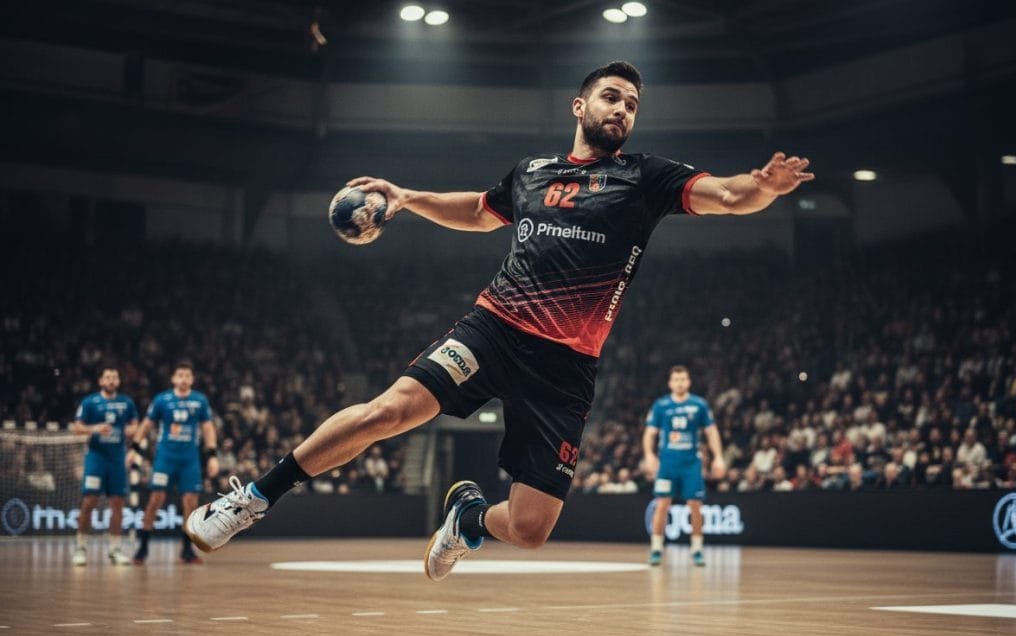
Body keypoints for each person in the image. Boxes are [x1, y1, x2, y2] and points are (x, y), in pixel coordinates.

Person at [183, 60, 813, 580]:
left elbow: (732, 195)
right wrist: (406, 198)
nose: (622, 110)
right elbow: (478, 213)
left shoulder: (645, 178)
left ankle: (469, 520)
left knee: (532, 529)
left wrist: (767, 189)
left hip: (567, 367)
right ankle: (254, 498)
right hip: (495, 330)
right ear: (579, 106)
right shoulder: (533, 173)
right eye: (611, 98)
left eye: (632, 105)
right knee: (390, 411)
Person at [128, 362, 218, 564]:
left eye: (187, 375)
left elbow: (208, 428)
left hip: (190, 460)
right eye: (180, 375)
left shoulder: (199, 400)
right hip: (165, 458)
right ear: (173, 379)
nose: (184, 378)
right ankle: (142, 548)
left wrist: (212, 455)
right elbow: (146, 424)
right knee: (156, 499)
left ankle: (187, 550)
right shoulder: (162, 400)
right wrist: (134, 449)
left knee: (190, 502)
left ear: (192, 379)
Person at [642, 366, 725, 567]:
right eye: (676, 379)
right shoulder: (661, 405)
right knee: (662, 504)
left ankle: (697, 549)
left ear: (688, 382)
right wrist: (649, 455)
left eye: (683, 379)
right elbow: (650, 433)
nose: (680, 382)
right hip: (667, 464)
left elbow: (711, 432)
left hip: (691, 464)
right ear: (670, 383)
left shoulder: (699, 405)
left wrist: (718, 457)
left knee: (695, 505)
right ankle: (656, 548)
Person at [70, 366, 139, 566]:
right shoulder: (90, 402)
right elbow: (76, 427)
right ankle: (80, 548)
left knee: (117, 504)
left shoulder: (126, 403)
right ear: (101, 381)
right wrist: (95, 429)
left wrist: (127, 430)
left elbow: (136, 426)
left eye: (114, 377)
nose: (111, 380)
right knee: (89, 501)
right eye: (107, 377)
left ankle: (115, 550)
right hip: (96, 458)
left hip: (117, 459)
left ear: (118, 381)